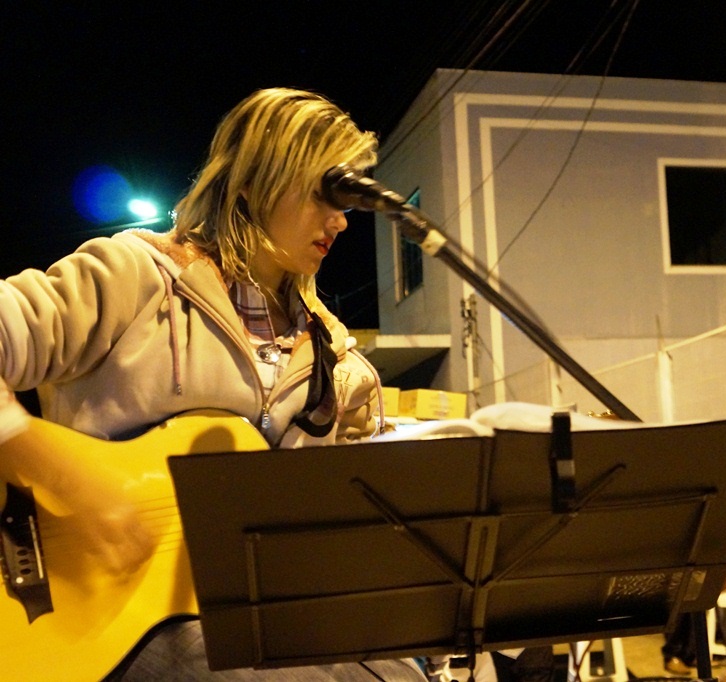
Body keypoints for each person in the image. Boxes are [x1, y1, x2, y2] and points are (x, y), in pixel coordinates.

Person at [0, 87, 428, 681]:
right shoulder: (136, 275)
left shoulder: (333, 358)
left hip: (245, 613)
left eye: (349, 200)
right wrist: (54, 471)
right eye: (325, 193)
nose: (340, 221)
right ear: (252, 183)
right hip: (93, 615)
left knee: (400, 672)